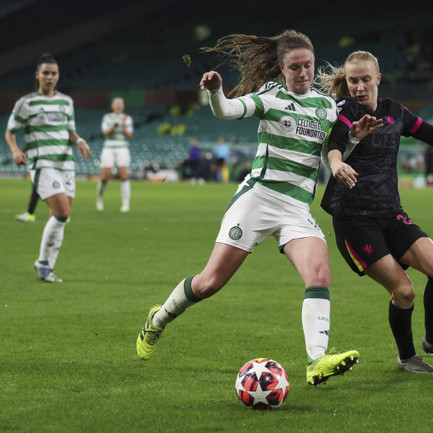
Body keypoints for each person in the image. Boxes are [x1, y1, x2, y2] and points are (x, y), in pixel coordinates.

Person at [136, 30, 370, 386]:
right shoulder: (270, 97)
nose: (304, 73)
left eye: (308, 65)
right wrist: (216, 90)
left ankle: (316, 361)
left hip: (296, 209)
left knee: (319, 275)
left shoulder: (325, 107)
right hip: (258, 200)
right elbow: (228, 110)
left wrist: (352, 140)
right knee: (209, 283)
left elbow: (327, 158)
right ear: (281, 68)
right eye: (295, 67)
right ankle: (158, 319)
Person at [318, 50, 433, 373]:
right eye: (352, 81)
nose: (359, 86)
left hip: (390, 213)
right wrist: (337, 165)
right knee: (403, 291)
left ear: (377, 79)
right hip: (354, 219)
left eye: (364, 79)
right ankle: (406, 357)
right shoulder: (345, 109)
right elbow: (334, 144)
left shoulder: (395, 113)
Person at [4, 53, 91, 282]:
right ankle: (43, 262)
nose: (50, 77)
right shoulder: (26, 103)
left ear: (58, 76)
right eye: (46, 73)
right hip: (42, 162)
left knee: (59, 216)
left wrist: (80, 140)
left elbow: (70, 131)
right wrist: (15, 150)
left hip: (66, 163)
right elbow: (10, 131)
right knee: (63, 211)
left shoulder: (66, 102)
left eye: (53, 73)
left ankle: (47, 267)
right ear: (37, 75)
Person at [96, 97, 133, 212]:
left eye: (121, 103)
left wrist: (123, 125)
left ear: (123, 106)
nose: (118, 105)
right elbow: (105, 133)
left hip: (122, 148)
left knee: (124, 175)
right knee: (105, 175)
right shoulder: (107, 117)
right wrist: (113, 127)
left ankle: (125, 203)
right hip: (108, 148)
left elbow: (129, 135)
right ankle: (100, 198)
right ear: (112, 106)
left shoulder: (127, 119)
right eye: (116, 103)